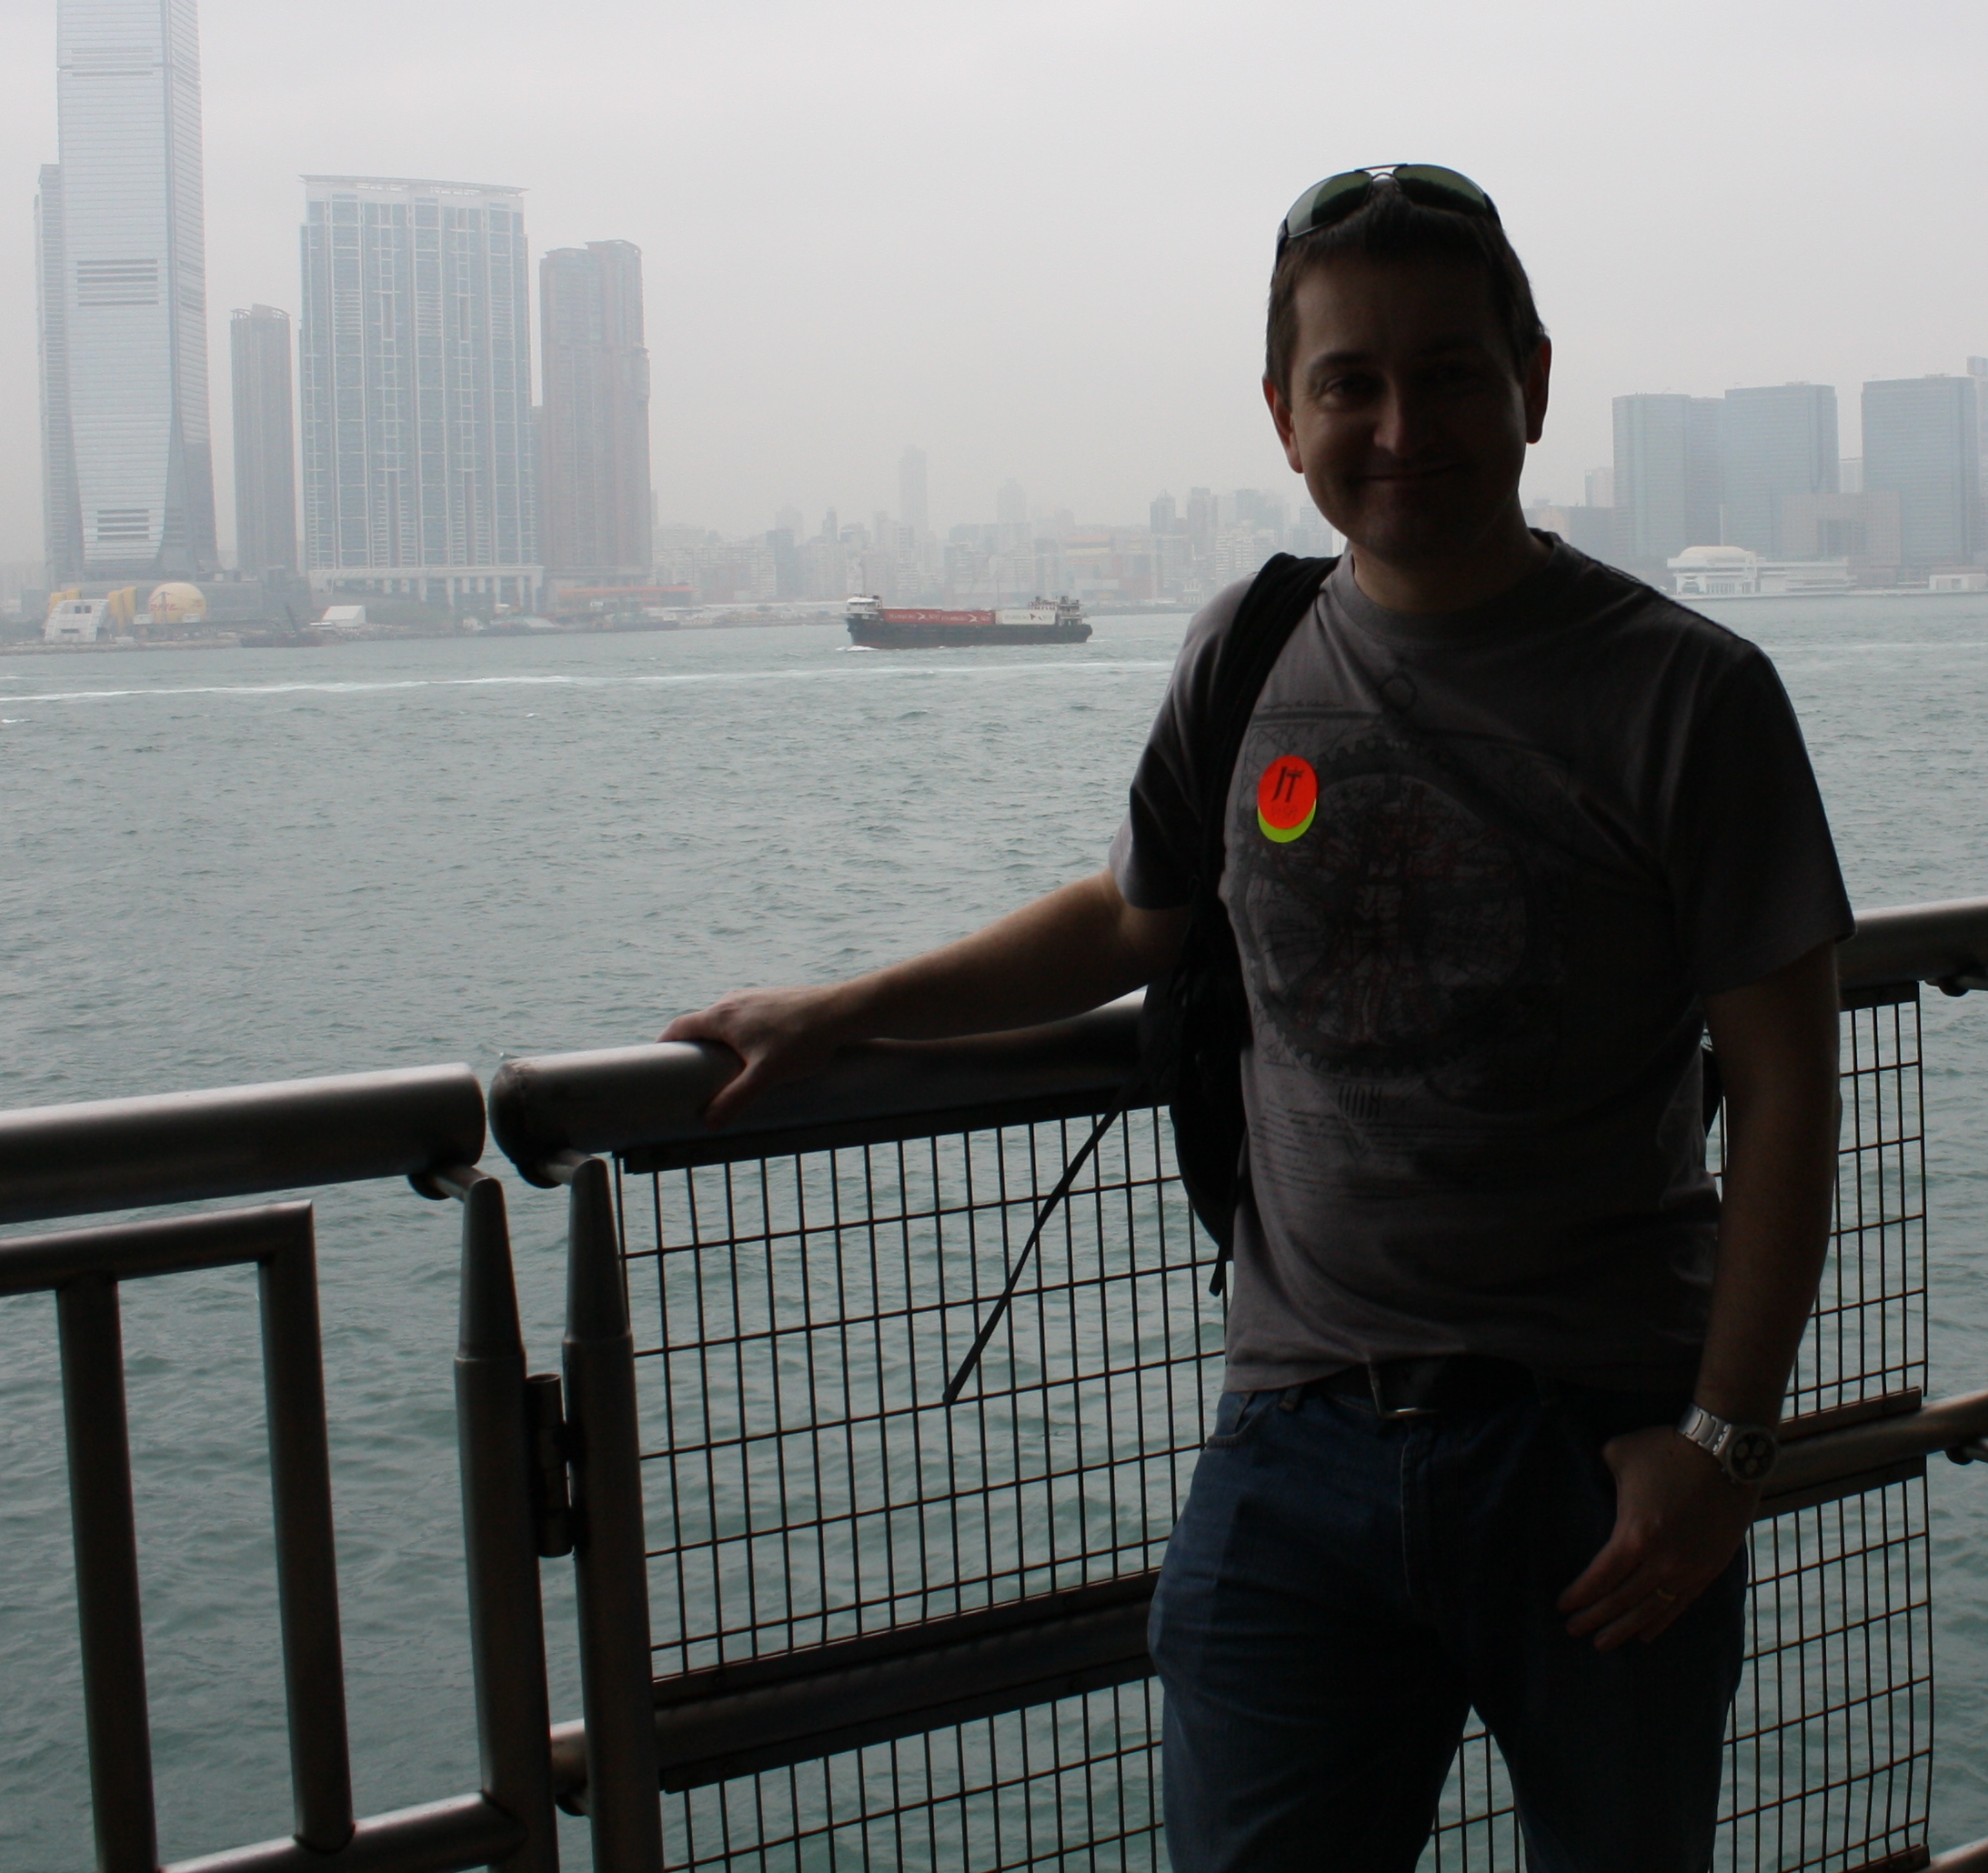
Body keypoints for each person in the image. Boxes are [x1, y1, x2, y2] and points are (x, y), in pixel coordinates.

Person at [666, 163, 1850, 1872]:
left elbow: (1788, 1088)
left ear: (1532, 384)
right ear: (1285, 418)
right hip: (1295, 1449)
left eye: (1448, 373)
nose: (1400, 426)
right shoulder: (1247, 651)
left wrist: (1723, 1451)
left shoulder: (1690, 692)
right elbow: (1132, 917)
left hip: (1600, 1453)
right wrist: (847, 1011)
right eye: (1349, 382)